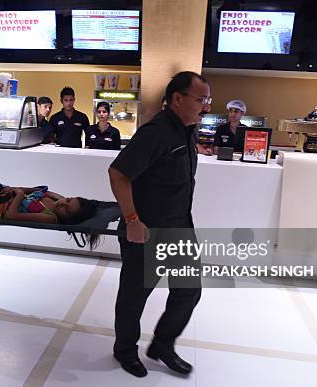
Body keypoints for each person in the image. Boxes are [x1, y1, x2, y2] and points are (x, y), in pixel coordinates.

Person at [108, 71, 210, 378]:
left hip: (179, 226)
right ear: (177, 99)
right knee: (135, 295)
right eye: (200, 99)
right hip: (146, 229)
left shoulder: (187, 130)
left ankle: (162, 345)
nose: (205, 106)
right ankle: (125, 349)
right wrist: (132, 220)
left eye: (207, 100)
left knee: (189, 290)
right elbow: (118, 174)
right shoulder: (156, 133)